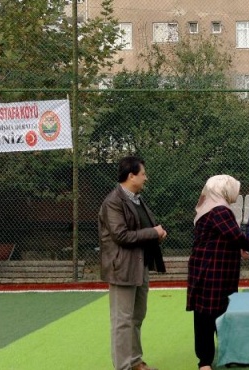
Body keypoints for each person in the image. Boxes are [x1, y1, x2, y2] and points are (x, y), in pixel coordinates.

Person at [99, 156, 167, 370]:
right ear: (131, 176)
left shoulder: (136, 198)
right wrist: (152, 232)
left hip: (140, 265)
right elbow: (121, 235)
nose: (146, 178)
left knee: (137, 316)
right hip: (122, 268)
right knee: (122, 321)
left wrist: (157, 234)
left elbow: (142, 228)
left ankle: (135, 362)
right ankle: (123, 366)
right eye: (143, 174)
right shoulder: (113, 202)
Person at [186, 175, 249, 370]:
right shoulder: (219, 210)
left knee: (218, 314)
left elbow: (226, 236)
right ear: (224, 190)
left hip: (214, 271)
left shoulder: (209, 208)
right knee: (208, 316)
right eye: (234, 188)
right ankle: (206, 362)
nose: (237, 192)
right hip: (212, 272)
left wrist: (240, 246)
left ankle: (220, 357)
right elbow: (234, 234)